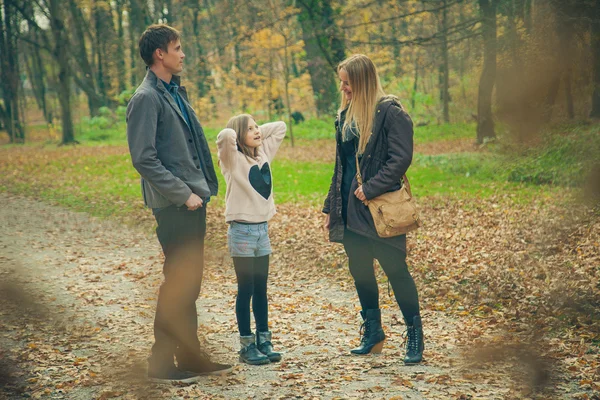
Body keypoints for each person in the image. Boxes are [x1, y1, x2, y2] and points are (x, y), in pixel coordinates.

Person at [126, 24, 232, 383]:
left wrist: (200, 190)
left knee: (190, 282)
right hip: (175, 205)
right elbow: (144, 158)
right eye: (177, 47)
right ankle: (159, 361)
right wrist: (182, 193)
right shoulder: (146, 98)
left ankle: (188, 354)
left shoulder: (174, 93)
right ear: (160, 54)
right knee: (178, 283)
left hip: (192, 202)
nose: (183, 53)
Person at [322, 54, 424, 364]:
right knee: (361, 272)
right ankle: (374, 332)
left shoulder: (391, 114)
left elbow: (400, 159)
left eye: (347, 83)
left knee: (396, 271)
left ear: (363, 82)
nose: (343, 88)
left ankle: (415, 335)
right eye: (341, 82)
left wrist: (371, 188)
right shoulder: (345, 115)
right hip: (350, 212)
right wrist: (330, 207)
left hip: (379, 210)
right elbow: (340, 166)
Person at [216, 115, 286, 365]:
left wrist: (254, 134)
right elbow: (225, 136)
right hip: (242, 231)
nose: (257, 131)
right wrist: (238, 130)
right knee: (245, 289)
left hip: (261, 231)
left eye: (257, 127)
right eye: (250, 129)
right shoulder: (232, 160)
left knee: (261, 289)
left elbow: (280, 127)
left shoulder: (262, 153)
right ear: (238, 134)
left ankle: (264, 339)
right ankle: (246, 345)